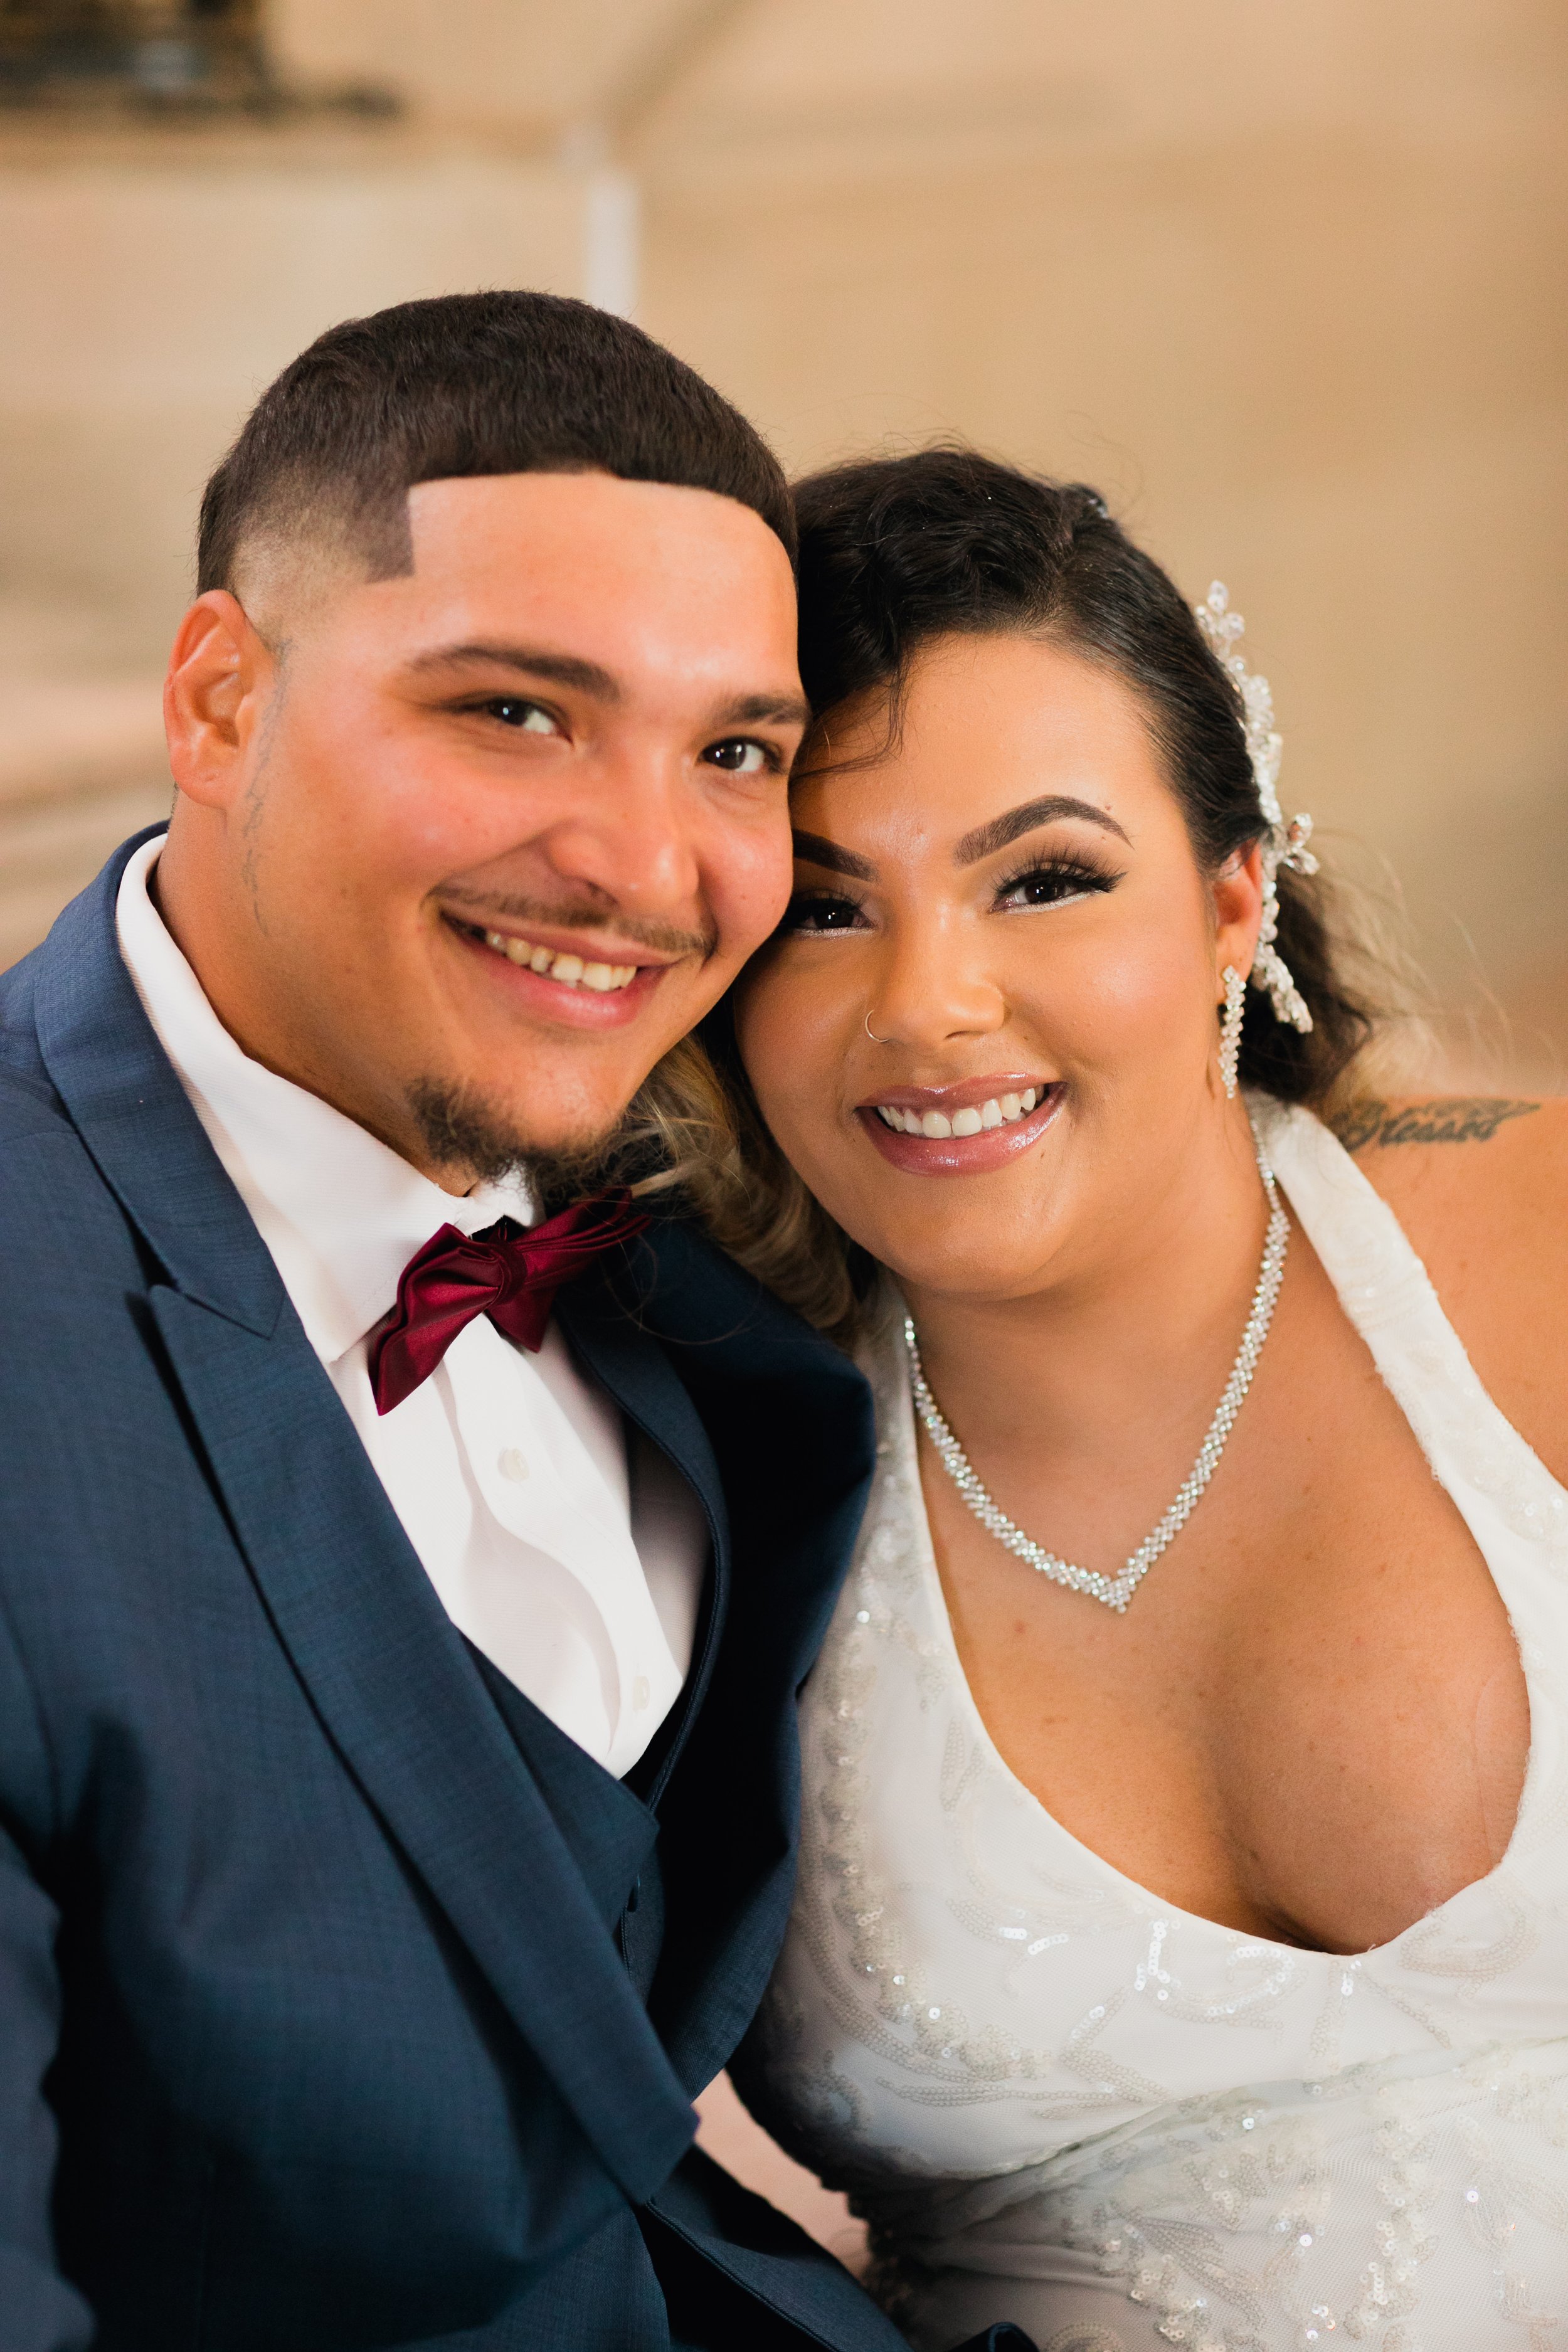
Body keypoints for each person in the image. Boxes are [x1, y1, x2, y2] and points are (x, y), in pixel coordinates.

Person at [0, 299, 1029, 2352]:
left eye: (733, 752)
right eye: (513, 714)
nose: (646, 868)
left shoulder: (705, 1219)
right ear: (218, 701)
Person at [682, 450, 1568, 2348]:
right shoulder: (683, 1469)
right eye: (824, 913)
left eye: (1046, 879)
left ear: (1231, 899)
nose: (931, 1006)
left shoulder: (1535, 1243)